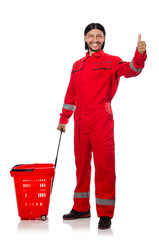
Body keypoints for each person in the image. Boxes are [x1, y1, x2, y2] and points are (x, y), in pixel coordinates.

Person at [57, 23, 147, 229]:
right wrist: (64, 119)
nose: (95, 39)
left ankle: (105, 213)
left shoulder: (111, 61)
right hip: (80, 120)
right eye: (91, 36)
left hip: (101, 119)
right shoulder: (77, 65)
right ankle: (81, 208)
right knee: (81, 166)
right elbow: (71, 94)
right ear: (85, 38)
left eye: (99, 36)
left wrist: (139, 54)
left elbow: (132, 70)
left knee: (105, 167)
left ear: (104, 38)